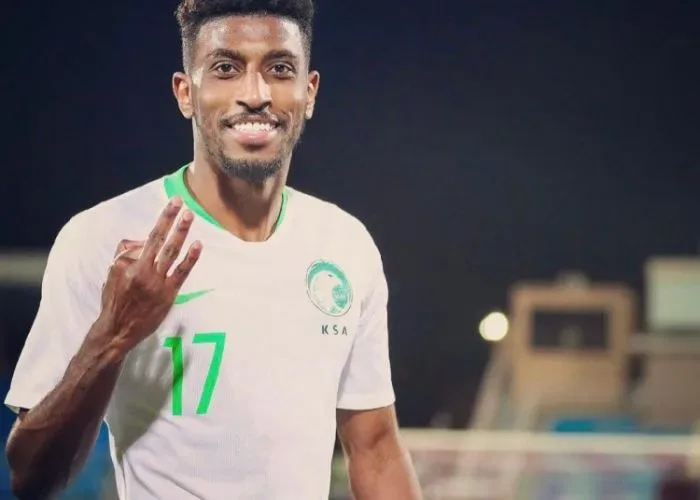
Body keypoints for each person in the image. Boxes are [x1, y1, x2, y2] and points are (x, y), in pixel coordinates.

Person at [4, 1, 422, 499]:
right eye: (226, 68)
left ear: (309, 92)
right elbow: (31, 477)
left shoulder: (345, 244)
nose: (255, 94)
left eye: (279, 69)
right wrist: (112, 335)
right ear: (186, 93)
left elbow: (375, 450)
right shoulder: (101, 237)